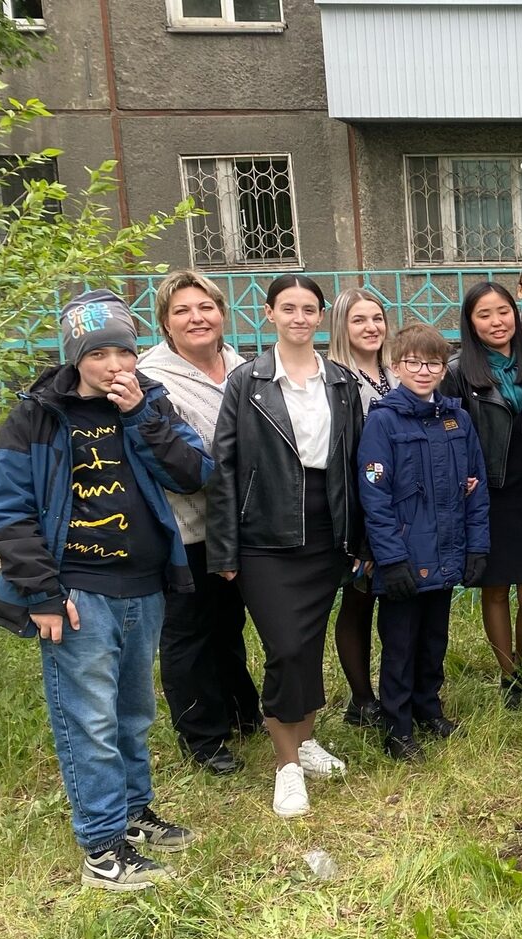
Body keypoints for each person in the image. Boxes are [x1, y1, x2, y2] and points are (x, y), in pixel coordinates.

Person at [0, 290, 211, 890]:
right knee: (90, 724)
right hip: (77, 594)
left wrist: (140, 417)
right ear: (76, 356)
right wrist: (42, 593)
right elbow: (6, 511)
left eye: (124, 352)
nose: (116, 365)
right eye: (100, 353)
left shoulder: (149, 402)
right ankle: (103, 850)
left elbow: (194, 472)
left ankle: (134, 815)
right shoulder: (37, 416)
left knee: (133, 715)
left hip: (145, 587)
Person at [207, 275, 362, 819]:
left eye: (309, 309)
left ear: (321, 317)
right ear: (269, 313)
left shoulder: (340, 381)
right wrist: (224, 550)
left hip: (326, 529)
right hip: (265, 534)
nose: (300, 318)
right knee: (286, 647)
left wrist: (359, 536)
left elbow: (354, 462)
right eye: (289, 308)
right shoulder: (247, 381)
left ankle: (308, 740)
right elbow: (224, 467)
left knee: (309, 644)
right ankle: (286, 765)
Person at [137, 272, 260, 777]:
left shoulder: (244, 367)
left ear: (222, 313)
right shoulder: (151, 378)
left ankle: (240, 711)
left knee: (229, 623)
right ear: (165, 323)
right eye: (182, 311)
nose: (197, 318)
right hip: (184, 528)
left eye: (206, 307)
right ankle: (203, 736)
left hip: (238, 525)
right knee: (188, 632)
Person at [358, 324, 490, 761]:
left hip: (447, 553)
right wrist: (391, 559)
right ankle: (397, 727)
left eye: (432, 363)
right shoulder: (382, 421)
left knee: (434, 640)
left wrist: (477, 547)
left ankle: (428, 709)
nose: (423, 371)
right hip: (404, 558)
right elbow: (375, 497)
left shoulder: (457, 419)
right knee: (400, 645)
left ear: (443, 368)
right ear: (396, 367)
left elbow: (475, 485)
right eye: (412, 362)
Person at [441, 282, 522, 708]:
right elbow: (448, 431)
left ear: (515, 313)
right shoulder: (457, 372)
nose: (496, 322)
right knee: (496, 589)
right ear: (471, 322)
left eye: (503, 311)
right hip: (489, 492)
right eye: (484, 315)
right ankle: (510, 677)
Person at [325, 287, 391, 729]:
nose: (371, 327)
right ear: (341, 327)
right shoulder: (334, 379)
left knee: (391, 601)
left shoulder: (395, 373)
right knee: (358, 600)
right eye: (359, 320)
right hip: (358, 506)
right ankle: (362, 700)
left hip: (397, 506)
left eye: (377, 318)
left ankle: (394, 687)